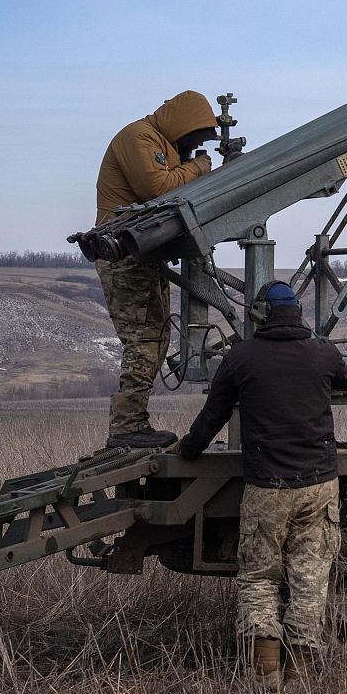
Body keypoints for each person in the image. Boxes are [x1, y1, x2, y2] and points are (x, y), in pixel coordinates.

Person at [178, 282, 347, 688]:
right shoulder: (323, 352)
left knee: (259, 578)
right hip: (318, 486)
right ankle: (300, 674)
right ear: (296, 312)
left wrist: (188, 450)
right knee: (310, 578)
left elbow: (212, 417)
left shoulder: (241, 358)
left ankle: (266, 675)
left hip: (267, 488)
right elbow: (345, 378)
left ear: (260, 315)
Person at [95, 90, 218, 449]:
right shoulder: (139, 137)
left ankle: (132, 423)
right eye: (191, 138)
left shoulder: (157, 141)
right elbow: (157, 188)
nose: (190, 147)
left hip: (140, 256)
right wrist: (198, 167)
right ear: (180, 125)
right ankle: (126, 428)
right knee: (144, 341)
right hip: (123, 255)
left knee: (155, 338)